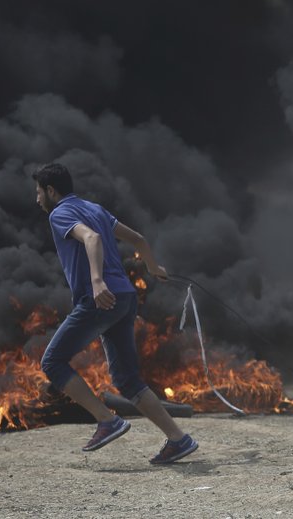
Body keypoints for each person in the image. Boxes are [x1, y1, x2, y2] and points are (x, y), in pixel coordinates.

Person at [33, 162, 198, 462]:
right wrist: (153, 267)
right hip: (125, 297)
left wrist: (97, 282)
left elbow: (91, 240)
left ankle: (107, 420)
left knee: (53, 361)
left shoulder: (59, 213)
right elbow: (138, 240)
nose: (37, 199)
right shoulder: (95, 208)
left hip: (101, 299)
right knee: (127, 379)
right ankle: (178, 439)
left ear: (51, 191)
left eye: (38, 192)